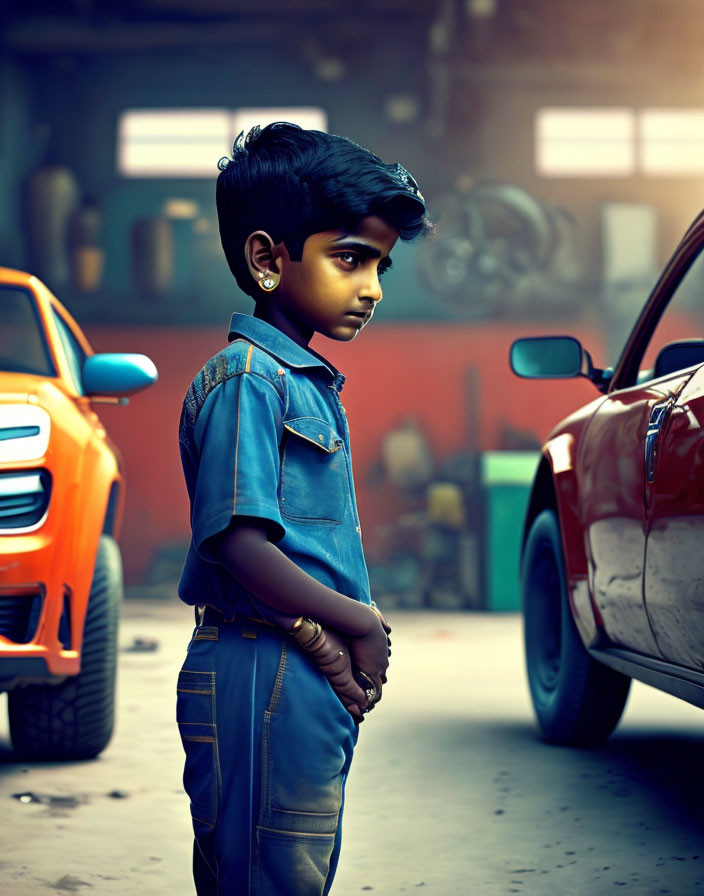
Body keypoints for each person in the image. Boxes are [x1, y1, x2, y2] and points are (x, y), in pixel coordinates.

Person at [176, 122, 431, 895]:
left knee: (292, 870)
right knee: (265, 876)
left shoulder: (301, 379)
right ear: (266, 259)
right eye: (350, 257)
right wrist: (356, 622)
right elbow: (242, 546)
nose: (374, 287)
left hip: (302, 670)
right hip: (260, 667)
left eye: (381, 264)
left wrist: (345, 638)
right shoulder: (249, 378)